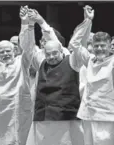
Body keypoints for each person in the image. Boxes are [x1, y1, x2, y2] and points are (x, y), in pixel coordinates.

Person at [25, 6, 86, 145]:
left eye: (55, 53)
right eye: (48, 54)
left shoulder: (71, 61)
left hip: (66, 117)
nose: (51, 56)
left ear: (61, 51)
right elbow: (28, 48)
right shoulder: (40, 62)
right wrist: (29, 25)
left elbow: (51, 37)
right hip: (43, 116)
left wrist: (41, 21)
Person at [0, 6, 33, 145]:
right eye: (2, 52)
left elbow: (28, 46)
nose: (5, 54)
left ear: (14, 51)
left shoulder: (22, 61)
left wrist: (25, 23)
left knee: (19, 139)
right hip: (0, 111)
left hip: (19, 108)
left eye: (8, 51)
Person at [69, 5, 114, 145]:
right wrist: (87, 21)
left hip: (107, 116)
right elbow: (74, 43)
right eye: (96, 45)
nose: (99, 48)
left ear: (109, 46)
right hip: (88, 114)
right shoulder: (89, 60)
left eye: (103, 45)